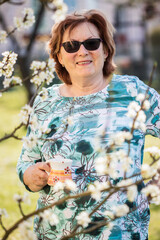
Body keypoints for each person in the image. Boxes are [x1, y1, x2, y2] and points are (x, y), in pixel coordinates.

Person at [17, 9, 160, 240]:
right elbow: (26, 161)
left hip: (120, 234)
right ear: (59, 56)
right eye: (71, 46)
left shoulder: (133, 92)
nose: (82, 51)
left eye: (91, 43)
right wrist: (31, 176)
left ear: (105, 50)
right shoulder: (45, 101)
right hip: (55, 234)